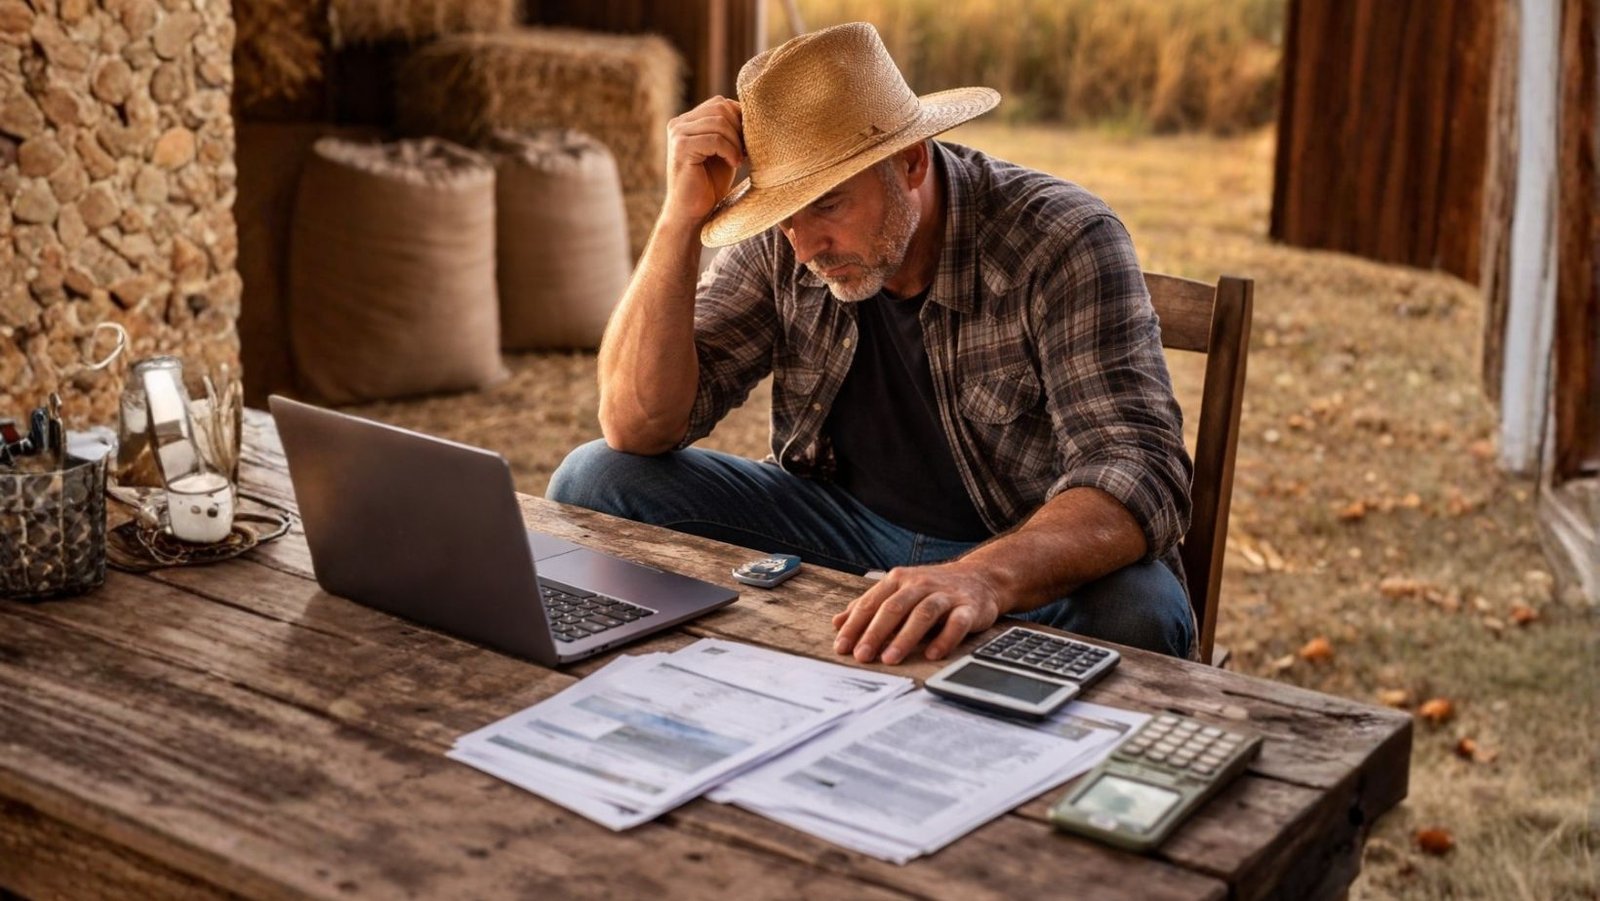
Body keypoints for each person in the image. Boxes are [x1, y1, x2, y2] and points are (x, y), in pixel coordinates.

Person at [548, 22, 1196, 663]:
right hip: (838, 529)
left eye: (827, 205)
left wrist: (981, 578)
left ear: (910, 161)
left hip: (1014, 554)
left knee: (1138, 612)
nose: (804, 248)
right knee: (597, 478)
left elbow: (1138, 474)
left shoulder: (1060, 240)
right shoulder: (787, 240)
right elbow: (638, 425)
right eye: (785, 214)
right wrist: (679, 219)